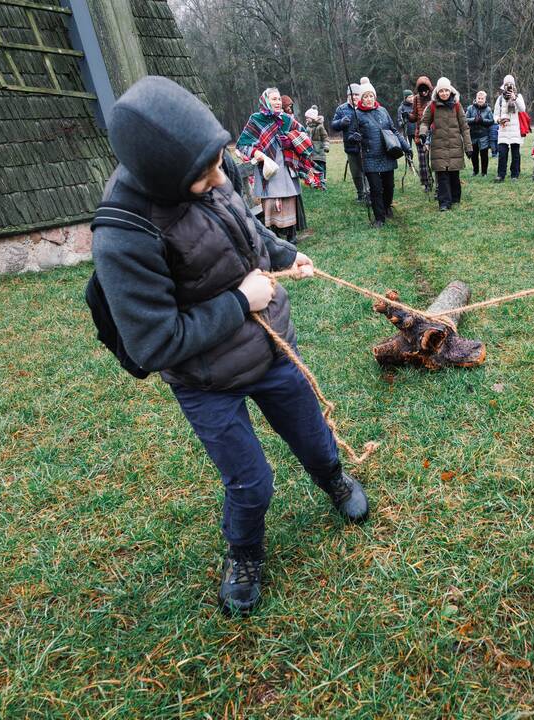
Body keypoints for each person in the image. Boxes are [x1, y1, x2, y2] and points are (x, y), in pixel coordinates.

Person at [91, 76, 371, 618]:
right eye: (206, 175)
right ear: (164, 177)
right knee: (251, 483)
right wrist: (243, 300)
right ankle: (244, 556)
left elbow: (245, 230)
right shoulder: (123, 233)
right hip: (204, 381)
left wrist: (283, 253)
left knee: (312, 434)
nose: (222, 176)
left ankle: (334, 479)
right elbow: (155, 343)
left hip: (268, 349)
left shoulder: (209, 166)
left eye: (219, 162)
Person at [236, 88, 320, 241]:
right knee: (270, 200)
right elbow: (243, 144)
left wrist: (291, 140)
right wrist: (256, 153)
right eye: (273, 99)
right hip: (266, 167)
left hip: (286, 165)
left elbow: (303, 135)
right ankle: (273, 234)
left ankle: (291, 234)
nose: (277, 102)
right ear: (265, 101)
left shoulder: (286, 119)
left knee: (288, 198)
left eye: (279, 99)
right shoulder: (256, 119)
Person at [352, 80, 407, 227]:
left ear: (374, 97)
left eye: (371, 96)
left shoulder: (383, 111)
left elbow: (393, 130)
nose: (369, 99)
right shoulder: (356, 115)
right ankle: (379, 218)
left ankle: (387, 206)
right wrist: (354, 138)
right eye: (365, 96)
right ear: (361, 99)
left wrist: (405, 146)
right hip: (370, 156)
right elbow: (351, 135)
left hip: (387, 153)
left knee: (389, 186)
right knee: (376, 189)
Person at [420, 77, 471, 211]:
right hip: (439, 145)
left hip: (455, 145)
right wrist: (423, 133)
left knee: (454, 174)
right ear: (437, 92)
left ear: (450, 91)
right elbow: (425, 122)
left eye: (446, 91)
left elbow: (464, 127)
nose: (444, 93)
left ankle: (455, 197)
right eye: (441, 91)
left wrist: (468, 146)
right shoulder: (432, 106)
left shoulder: (457, 105)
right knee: (442, 175)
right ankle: (444, 202)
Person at [331, 84, 368, 203]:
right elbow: (333, 126)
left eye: (356, 94)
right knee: (356, 173)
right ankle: (361, 194)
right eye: (351, 94)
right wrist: (341, 122)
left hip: (366, 146)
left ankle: (370, 193)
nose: (354, 97)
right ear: (347, 96)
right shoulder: (341, 109)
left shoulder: (365, 106)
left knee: (367, 171)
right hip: (350, 147)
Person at [493, 74, 527, 181]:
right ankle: (500, 175)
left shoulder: (518, 96)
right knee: (502, 154)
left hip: (515, 131)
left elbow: (522, 109)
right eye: (507, 85)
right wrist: (499, 120)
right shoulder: (499, 99)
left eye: (510, 85)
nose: (508, 87)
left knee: (515, 154)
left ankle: (514, 175)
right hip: (503, 130)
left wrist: (514, 97)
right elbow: (495, 114)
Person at [408, 76, 435, 190]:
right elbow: (414, 116)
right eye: (421, 90)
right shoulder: (416, 99)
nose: (424, 92)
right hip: (420, 133)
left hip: (433, 132)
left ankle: (439, 183)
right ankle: (426, 183)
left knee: (435, 160)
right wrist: (408, 116)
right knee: (423, 161)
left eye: (425, 89)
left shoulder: (434, 98)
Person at [465, 90, 495, 176]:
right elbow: (465, 119)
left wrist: (482, 120)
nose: (480, 100)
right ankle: (475, 171)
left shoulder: (488, 109)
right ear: (476, 98)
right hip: (473, 135)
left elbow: (491, 121)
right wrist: (474, 119)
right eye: (479, 98)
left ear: (485, 99)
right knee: (474, 154)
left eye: (482, 98)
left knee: (484, 154)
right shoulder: (470, 108)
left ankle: (484, 172)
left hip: (483, 135)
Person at [304, 105, 330, 188]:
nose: (306, 119)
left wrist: (326, 146)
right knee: (312, 167)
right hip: (311, 152)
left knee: (321, 167)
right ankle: (315, 182)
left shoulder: (320, 127)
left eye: (308, 118)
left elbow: (325, 137)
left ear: (312, 118)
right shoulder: (307, 128)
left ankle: (323, 183)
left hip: (319, 150)